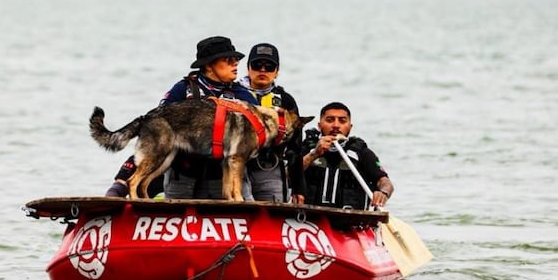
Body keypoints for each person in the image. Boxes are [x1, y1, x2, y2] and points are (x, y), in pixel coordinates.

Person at [104, 36, 256, 199]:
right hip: (183, 179)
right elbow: (157, 133)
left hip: (224, 180)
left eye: (236, 59)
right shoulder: (182, 90)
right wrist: (121, 179)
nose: (235, 63)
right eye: (229, 59)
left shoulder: (243, 96)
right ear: (209, 65)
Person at [238, 43, 307, 203]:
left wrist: (298, 188)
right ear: (248, 68)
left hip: (271, 165)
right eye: (257, 65)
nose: (262, 70)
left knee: (274, 211)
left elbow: (296, 147)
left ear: (276, 72)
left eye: (269, 66)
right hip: (238, 165)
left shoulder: (286, 100)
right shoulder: (234, 93)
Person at [300, 102, 393, 210]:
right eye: (330, 120)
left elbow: (385, 183)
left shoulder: (362, 153)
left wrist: (383, 193)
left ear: (350, 126)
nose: (336, 125)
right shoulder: (306, 149)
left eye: (342, 121)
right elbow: (286, 177)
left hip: (350, 221)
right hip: (308, 221)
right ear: (320, 125)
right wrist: (314, 155)